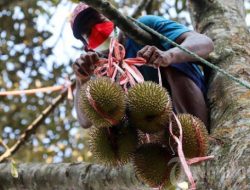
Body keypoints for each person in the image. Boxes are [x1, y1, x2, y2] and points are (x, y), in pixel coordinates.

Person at [70, 3, 214, 129]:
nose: (97, 30)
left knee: (171, 63)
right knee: (109, 118)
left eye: (99, 21)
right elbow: (85, 122)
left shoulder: (143, 25)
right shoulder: (102, 72)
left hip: (192, 107)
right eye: (88, 32)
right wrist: (82, 79)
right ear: (87, 47)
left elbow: (205, 43)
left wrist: (169, 56)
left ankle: (194, 131)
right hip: (157, 132)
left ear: (114, 18)